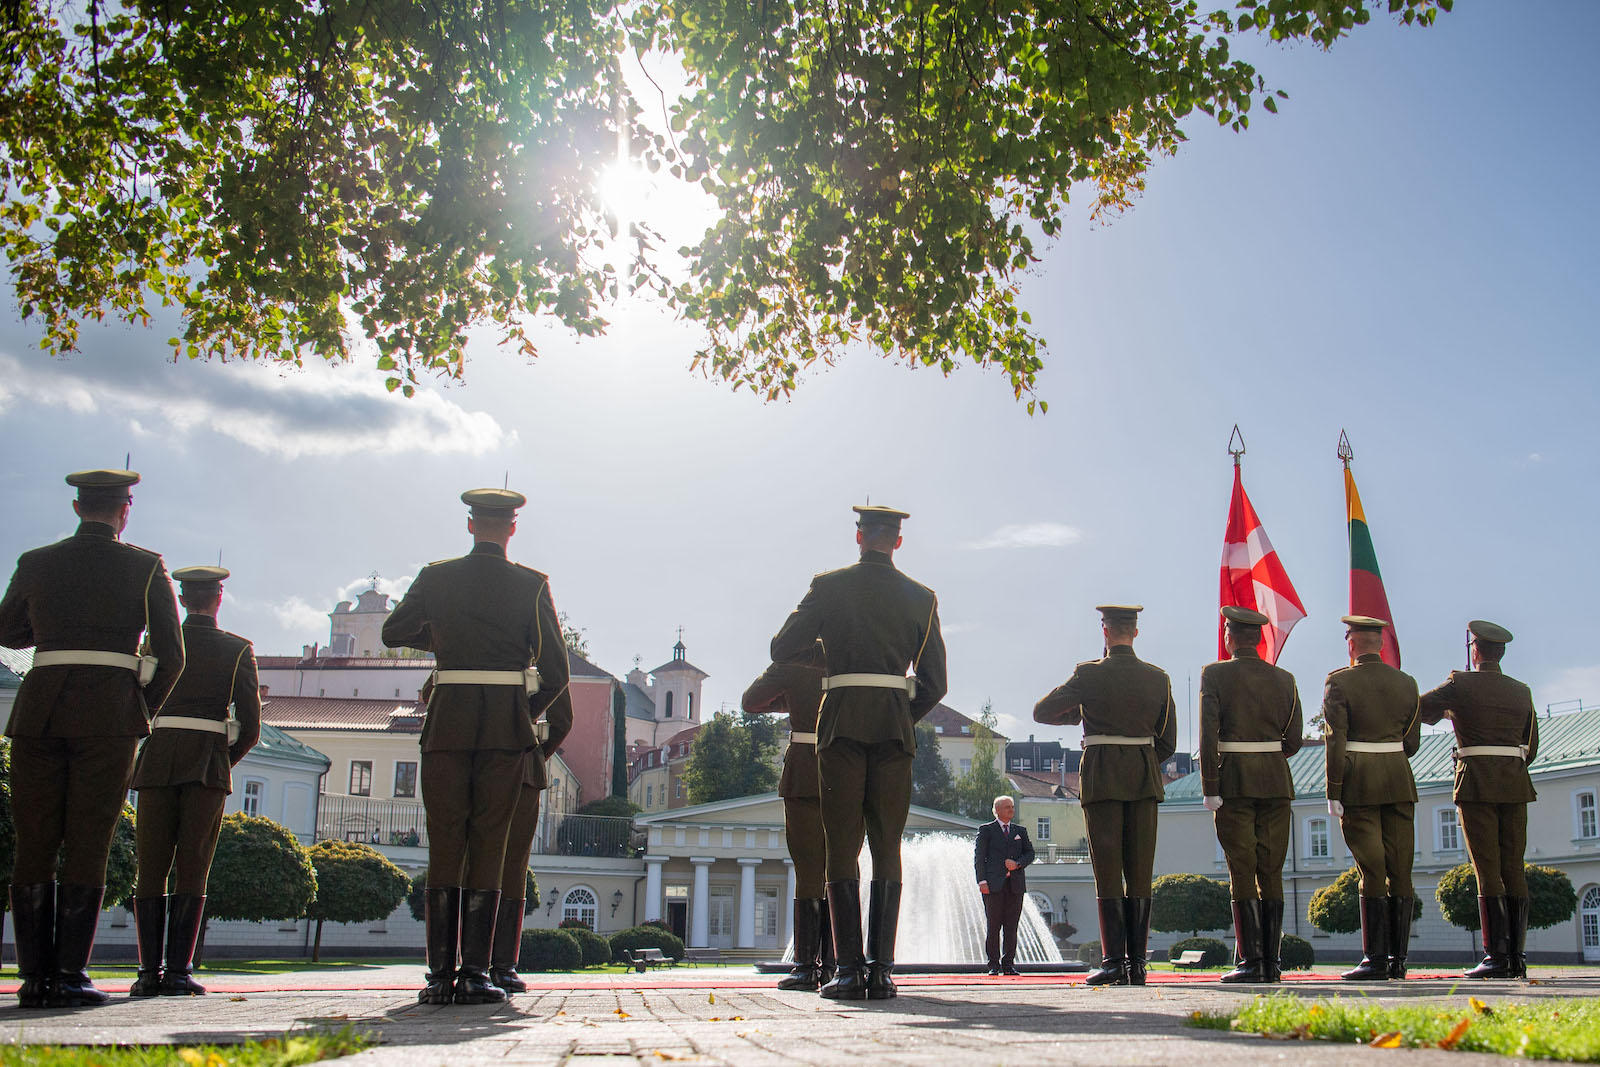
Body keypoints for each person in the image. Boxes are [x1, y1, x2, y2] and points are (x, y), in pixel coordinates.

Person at [0, 468, 184, 1009]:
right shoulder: (147, 568)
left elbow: (7, 630)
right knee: (89, 840)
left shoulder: (36, 562)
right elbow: (172, 659)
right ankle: (69, 974)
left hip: (40, 710)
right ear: (125, 510)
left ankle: (34, 978)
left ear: (78, 508)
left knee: (34, 838)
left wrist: (49, 632)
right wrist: (137, 711)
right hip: (109, 716)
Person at [382, 488, 569, 1006]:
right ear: (512, 529)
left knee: (445, 841)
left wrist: (446, 642)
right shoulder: (532, 585)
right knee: (489, 842)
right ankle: (476, 974)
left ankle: (439, 976)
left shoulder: (435, 576)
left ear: (470, 526)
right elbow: (556, 673)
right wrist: (518, 714)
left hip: (446, 725)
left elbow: (394, 629)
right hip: (505, 735)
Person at [770, 504, 947, 1001]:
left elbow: (782, 647)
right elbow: (936, 681)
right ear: (897, 541)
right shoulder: (922, 597)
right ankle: (883, 972)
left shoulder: (828, 587)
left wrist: (828, 655)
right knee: (887, 846)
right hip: (893, 730)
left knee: (841, 845)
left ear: (859, 537)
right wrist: (898, 711)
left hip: (841, 725)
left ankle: (847, 971)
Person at [128, 565, 261, 997]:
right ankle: (178, 973)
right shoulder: (237, 649)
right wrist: (221, 760)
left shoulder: (156, 645)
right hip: (206, 764)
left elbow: (140, 703)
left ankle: (148, 972)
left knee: (150, 866)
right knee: (193, 868)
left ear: (182, 600)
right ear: (219, 598)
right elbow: (251, 724)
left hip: (158, 758)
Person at [1033, 604, 1176, 987]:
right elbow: (1168, 741)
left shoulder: (1088, 674)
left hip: (1101, 777)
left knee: (1108, 871)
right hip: (1144, 779)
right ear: (1135, 632)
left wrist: (1079, 712)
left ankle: (1114, 962)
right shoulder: (1158, 678)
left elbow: (1042, 712)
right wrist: (1140, 758)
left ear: (1105, 631)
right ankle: (1138, 966)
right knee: (1140, 871)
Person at [1418, 620, 1538, 980]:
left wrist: (1450, 709)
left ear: (1474, 650)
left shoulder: (1460, 683)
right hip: (1516, 783)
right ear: (1500, 653)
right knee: (1513, 866)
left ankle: (1495, 956)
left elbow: (1419, 710)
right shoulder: (1522, 690)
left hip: (1476, 784)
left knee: (1487, 869)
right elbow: (1530, 745)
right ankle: (1516, 955)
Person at [1199, 606, 1304, 984]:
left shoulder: (1215, 674)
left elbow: (1208, 735)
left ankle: (1249, 962)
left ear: (1230, 636)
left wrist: (1210, 786)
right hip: (1276, 781)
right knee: (1271, 869)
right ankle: (1271, 963)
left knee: (1242, 869)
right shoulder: (1285, 678)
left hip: (1234, 783)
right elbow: (1293, 740)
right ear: (1258, 639)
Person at [1322, 615, 1421, 981]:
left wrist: (1334, 790)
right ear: (1380, 643)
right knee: (1401, 869)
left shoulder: (1340, 681)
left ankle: (1376, 959)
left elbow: (1336, 739)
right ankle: (1399, 960)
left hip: (1359, 783)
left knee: (1372, 870)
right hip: (1398, 778)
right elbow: (1412, 742)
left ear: (1351, 642)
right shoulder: (1407, 683)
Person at [742, 640, 835, 992]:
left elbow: (750, 702)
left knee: (809, 868)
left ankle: (806, 966)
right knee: (841, 867)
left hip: (804, 770)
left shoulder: (793, 660)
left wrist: (790, 701)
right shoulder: (849, 655)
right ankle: (837, 964)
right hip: (847, 769)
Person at [489, 673, 574, 994]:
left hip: (467, 761)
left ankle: (462, 966)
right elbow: (562, 720)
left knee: (465, 864)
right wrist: (533, 753)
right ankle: (502, 967)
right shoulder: (539, 659)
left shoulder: (464, 643)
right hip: (523, 769)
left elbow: (433, 691)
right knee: (512, 870)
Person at [974, 795, 1035, 976]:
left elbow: (1030, 853)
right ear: (997, 810)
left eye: (1012, 807)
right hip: (993, 886)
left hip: (1015, 886)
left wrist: (1017, 864)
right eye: (1007, 807)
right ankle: (993, 964)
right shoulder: (986, 830)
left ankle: (1008, 964)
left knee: (1011, 926)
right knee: (993, 926)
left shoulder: (1020, 831)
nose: (1011, 810)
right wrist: (982, 881)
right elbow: (979, 858)